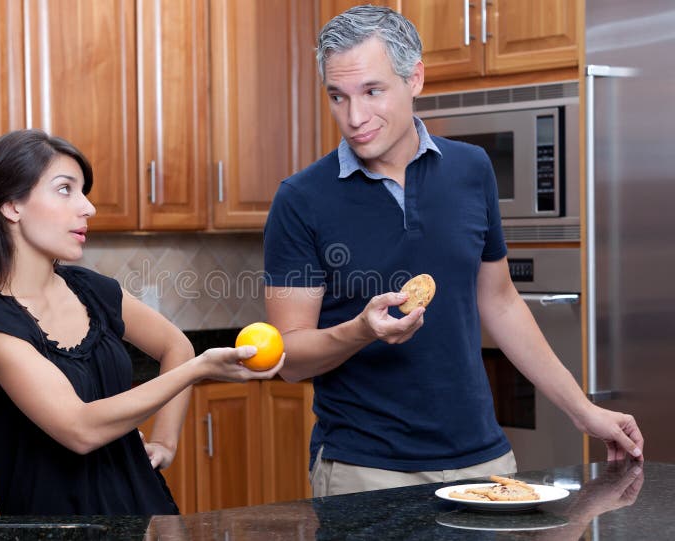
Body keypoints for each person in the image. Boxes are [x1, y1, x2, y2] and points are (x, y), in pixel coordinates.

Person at [263, 5, 643, 498]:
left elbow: (501, 302)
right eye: (338, 96)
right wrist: (360, 330)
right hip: (365, 471)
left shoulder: (472, 170)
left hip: (484, 462)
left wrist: (583, 410)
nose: (354, 117)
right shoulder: (301, 199)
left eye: (372, 91)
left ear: (414, 77)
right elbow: (288, 356)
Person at [0, 129, 283, 515]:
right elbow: (80, 429)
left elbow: (176, 346)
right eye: (65, 189)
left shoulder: (92, 291)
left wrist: (166, 441)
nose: (88, 207)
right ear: (12, 206)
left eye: (83, 191)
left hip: (146, 515)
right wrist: (198, 370)